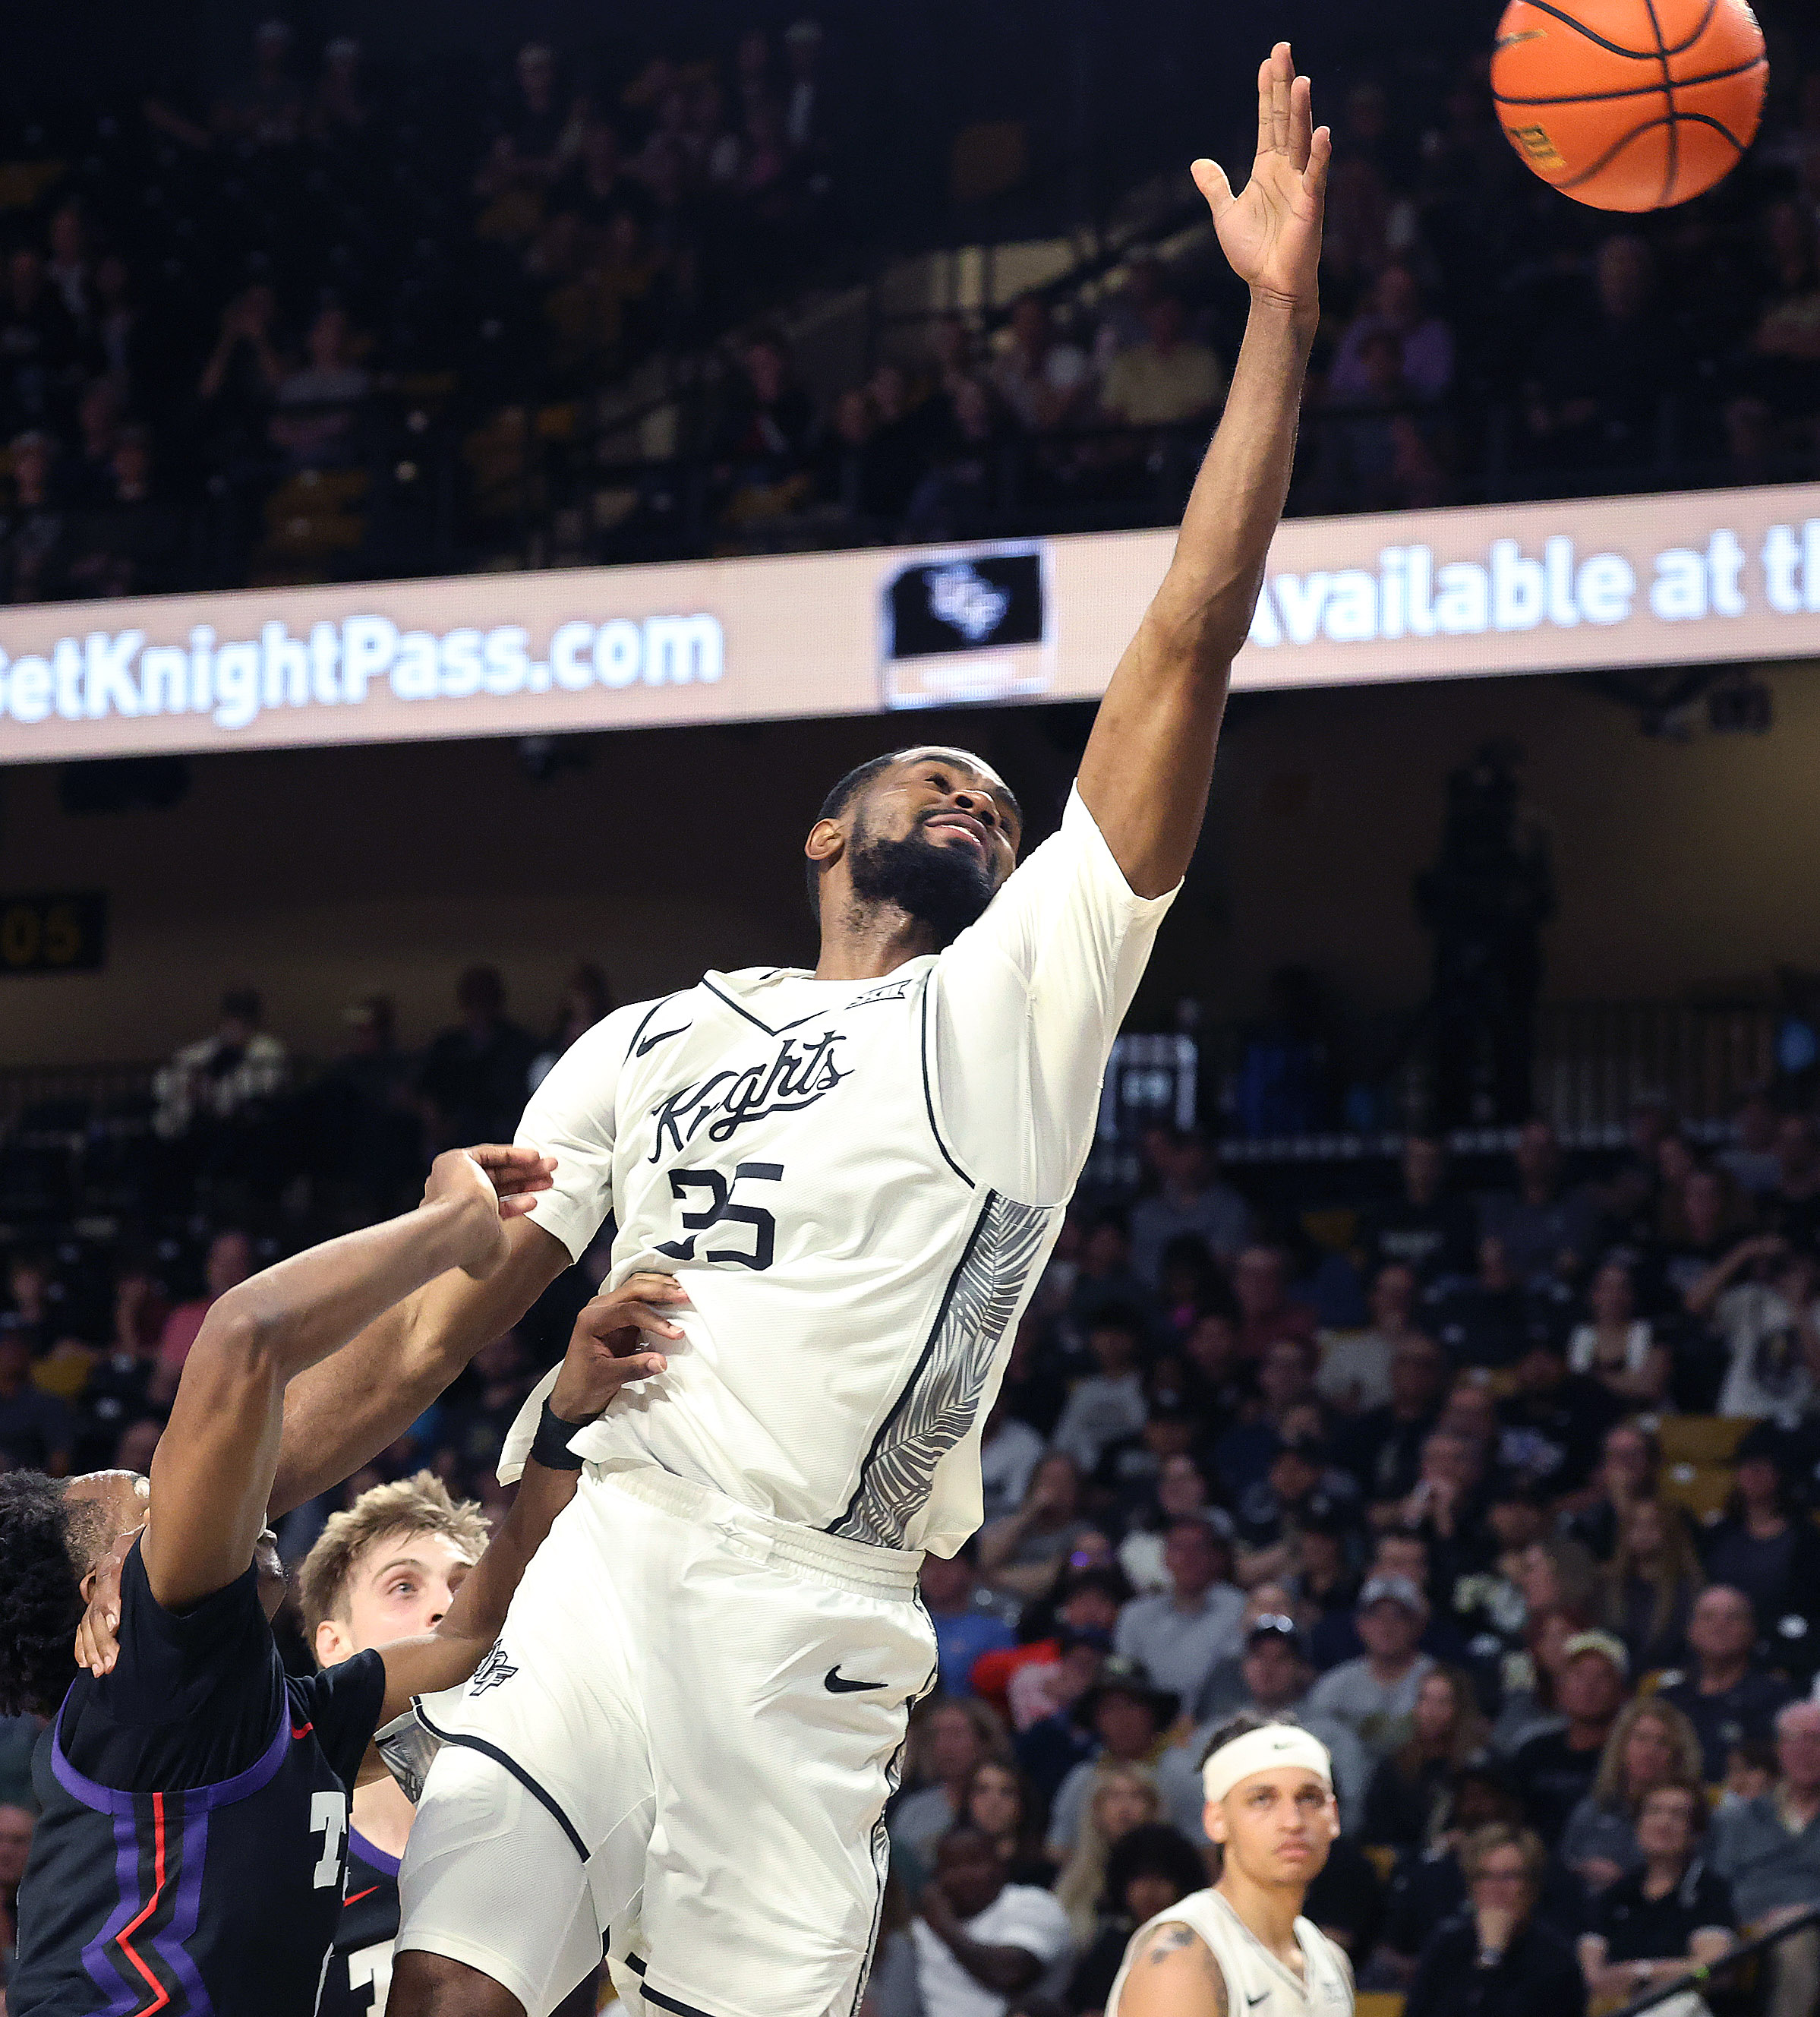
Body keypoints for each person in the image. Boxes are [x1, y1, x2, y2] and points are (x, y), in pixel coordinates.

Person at [314, 49, 1333, 2017]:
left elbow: (1189, 634)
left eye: (1001, 802)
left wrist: (1273, 325)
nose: (976, 801)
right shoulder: (643, 1036)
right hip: (605, 1561)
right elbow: (449, 1322)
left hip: (820, 1624)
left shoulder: (1021, 989)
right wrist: (234, 1519)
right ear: (822, 831)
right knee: (453, 1989)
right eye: (932, 778)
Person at [2, 1147, 664, 2015]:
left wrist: (562, 1421)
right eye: (153, 1500)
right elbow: (244, 1335)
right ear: (104, 1593)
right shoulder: (153, 1672)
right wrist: (444, 1225)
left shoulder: (270, 1717)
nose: (194, 1502)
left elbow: (468, 1635)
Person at [298, 1473, 492, 2017]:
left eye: (467, 1586)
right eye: (404, 1586)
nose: (447, 1608)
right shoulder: (280, 1856)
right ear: (335, 1647)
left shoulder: (567, 1817)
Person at [1102, 1711, 1352, 2017]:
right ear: (1216, 1820)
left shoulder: (1330, 1960)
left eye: (1309, 1798)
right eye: (1262, 1799)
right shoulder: (1182, 1959)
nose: (1292, 1821)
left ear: (1334, 1817)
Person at [1578, 1781, 1735, 2009]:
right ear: (1637, 1825)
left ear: (1695, 1832)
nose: (1663, 1823)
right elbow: (1594, 1977)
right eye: (1653, 1812)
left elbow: (1708, 1970)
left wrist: (1642, 1971)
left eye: (1678, 1815)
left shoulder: (1710, 1891)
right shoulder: (1617, 1893)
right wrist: (1670, 1970)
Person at [1708, 1700, 1820, 2017]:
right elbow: (1715, 1885)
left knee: (1797, 1938)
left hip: (1807, 1930)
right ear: (1779, 1749)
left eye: (1817, 1739)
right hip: (1742, 1930)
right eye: (1796, 1739)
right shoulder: (1736, 1818)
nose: (1806, 1750)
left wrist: (1807, 1912)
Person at [1402, 1825, 1585, 2017]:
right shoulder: (1446, 1946)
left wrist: (1491, 1958)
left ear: (1531, 1886)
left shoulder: (1556, 1961)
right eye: (1484, 1876)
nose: (1495, 1888)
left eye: (1509, 1876)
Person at [912, 1823, 1074, 2016]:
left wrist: (945, 1926)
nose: (965, 1875)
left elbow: (1008, 1974)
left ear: (999, 1865)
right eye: (953, 1866)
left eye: (975, 1863)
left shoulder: (1033, 1903)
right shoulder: (921, 1927)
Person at [1556, 1697, 1706, 1893]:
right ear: (1622, 1745)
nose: (1650, 1751)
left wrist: (1625, 1882)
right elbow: (1563, 1868)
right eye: (1641, 1738)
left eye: (1662, 1742)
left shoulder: (1689, 1814)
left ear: (1677, 1754)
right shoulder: (1591, 1811)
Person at [1657, 1584, 1796, 1781]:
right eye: (1708, 1617)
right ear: (1691, 1630)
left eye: (1732, 1618)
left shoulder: (1776, 1699)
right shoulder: (1667, 1699)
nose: (1719, 1627)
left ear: (1751, 1630)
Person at [1068, 1823, 1209, 2015]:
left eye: (1161, 1878)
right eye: (1140, 1879)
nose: (1149, 1891)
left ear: (1181, 1884)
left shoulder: (1202, 1947)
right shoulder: (1110, 1948)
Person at [1509, 1630, 1631, 1845]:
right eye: (1578, 1675)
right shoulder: (1534, 1751)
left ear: (1621, 1691)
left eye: (1602, 1677)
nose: (1589, 1686)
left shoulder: (1630, 1757)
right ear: (1560, 1688)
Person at [1306, 1575, 1437, 1764]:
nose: (1386, 1626)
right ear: (1360, 1625)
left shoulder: (1438, 1681)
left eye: (1398, 1616)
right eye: (1375, 1615)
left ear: (1417, 1625)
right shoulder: (1333, 1687)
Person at [1113, 1520, 1246, 1703]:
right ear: (1165, 1557)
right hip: (1151, 1719)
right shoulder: (1135, 1615)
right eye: (1179, 1548)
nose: (1188, 1557)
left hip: (1219, 1714)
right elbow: (1125, 1679)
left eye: (1198, 1548)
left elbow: (1234, 1676)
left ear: (1216, 1557)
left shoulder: (1240, 1609)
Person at [1363, 1667, 1489, 1851]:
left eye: (1442, 1702)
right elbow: (1378, 1834)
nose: (1430, 1711)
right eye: (1424, 1699)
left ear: (1461, 1709)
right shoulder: (1395, 1767)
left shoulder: (1480, 1767)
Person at [893, 1698, 1014, 1878]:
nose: (945, 1745)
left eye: (956, 1734)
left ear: (983, 1741)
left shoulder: (1007, 1796)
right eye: (936, 1736)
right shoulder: (912, 1810)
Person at [151, 988, 289, 1144]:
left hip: (241, 1129)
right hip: (193, 1125)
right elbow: (167, 1079)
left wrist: (209, 1092)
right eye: (230, 1019)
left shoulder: (267, 1051)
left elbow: (257, 1089)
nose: (234, 1026)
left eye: (241, 1021)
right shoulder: (207, 1049)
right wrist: (190, 1086)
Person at [1055, 1762, 1167, 1946]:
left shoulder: (1172, 1874)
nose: (1125, 1807)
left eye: (1137, 1796)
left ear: (1153, 1807)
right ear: (1096, 1810)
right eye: (1114, 1797)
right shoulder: (1075, 1883)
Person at [1128, 1129, 1254, 1286]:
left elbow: (1223, 1262)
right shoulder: (1146, 1211)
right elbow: (1137, 1263)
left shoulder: (1231, 1208)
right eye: (1183, 1157)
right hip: (1148, 1300)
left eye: (1198, 1161)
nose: (1190, 1168)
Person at [150, 1228, 255, 1405]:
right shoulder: (186, 1317)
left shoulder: (269, 1320)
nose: (226, 1272)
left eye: (235, 1262)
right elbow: (160, 1390)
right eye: (219, 1261)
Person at [1601, 1497, 1705, 1675]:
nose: (1643, 1533)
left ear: (1669, 1530)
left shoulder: (1688, 1591)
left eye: (1652, 1525)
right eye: (1635, 1525)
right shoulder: (1609, 1587)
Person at [923, 1548, 1018, 1698]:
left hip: (978, 1713)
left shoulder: (994, 1629)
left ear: (971, 1570)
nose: (936, 1574)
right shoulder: (904, 1624)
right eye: (928, 1565)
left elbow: (1004, 1686)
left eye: (947, 1564)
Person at [962, 1759, 1052, 1889]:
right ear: (969, 1800)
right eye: (982, 1790)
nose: (993, 1803)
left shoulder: (1043, 1874)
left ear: (1022, 1803)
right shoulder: (951, 1871)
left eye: (1006, 1792)